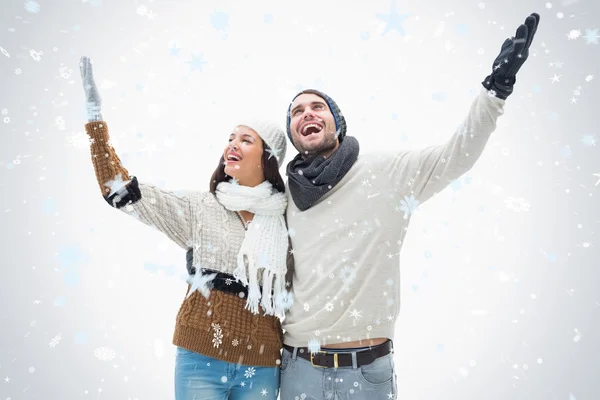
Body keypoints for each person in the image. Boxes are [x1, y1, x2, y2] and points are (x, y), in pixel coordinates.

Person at [278, 13, 540, 400]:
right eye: (297, 112)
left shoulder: (386, 172)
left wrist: (495, 90)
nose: (307, 114)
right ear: (294, 135)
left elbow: (458, 155)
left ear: (337, 121)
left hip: (365, 372)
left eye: (317, 107)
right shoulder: (285, 198)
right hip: (298, 370)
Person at [78, 56, 294, 400]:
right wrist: (95, 122)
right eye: (230, 137)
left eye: (246, 139)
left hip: (263, 365)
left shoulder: (287, 220)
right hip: (201, 359)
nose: (232, 145)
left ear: (268, 157)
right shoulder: (201, 207)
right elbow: (119, 191)